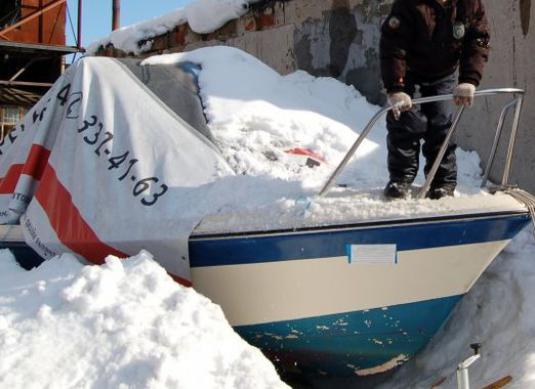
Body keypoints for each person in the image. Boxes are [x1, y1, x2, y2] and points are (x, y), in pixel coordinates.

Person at [380, 0, 490, 199]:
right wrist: (396, 88)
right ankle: (400, 180)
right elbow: (393, 46)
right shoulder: (408, 5)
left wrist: (469, 80)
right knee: (407, 123)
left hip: (444, 74)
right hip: (409, 73)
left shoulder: (470, 4)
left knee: (441, 126)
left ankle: (442, 184)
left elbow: (478, 40)